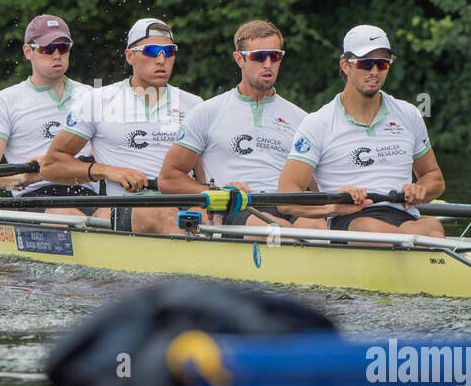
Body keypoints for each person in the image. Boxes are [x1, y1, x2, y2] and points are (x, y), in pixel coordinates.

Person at [277, 24, 445, 236]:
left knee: (433, 227)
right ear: (346, 66)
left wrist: (421, 189)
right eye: (366, 63)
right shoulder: (318, 123)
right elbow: (285, 196)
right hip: (351, 219)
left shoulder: (408, 114)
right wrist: (331, 207)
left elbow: (434, 177)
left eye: (382, 63)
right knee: (373, 229)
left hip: (403, 217)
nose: (374, 71)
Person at [41, 17, 203, 233]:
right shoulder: (97, 102)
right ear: (130, 56)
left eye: (169, 52)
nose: (162, 59)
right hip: (129, 204)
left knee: (213, 220)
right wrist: (107, 171)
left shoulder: (195, 105)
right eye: (152, 51)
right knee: (162, 214)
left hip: (185, 202)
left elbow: (205, 176)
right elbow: (51, 167)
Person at [157, 19, 321, 228]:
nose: (268, 64)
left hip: (287, 207)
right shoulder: (207, 112)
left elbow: (320, 186)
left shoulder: (303, 119)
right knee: (277, 230)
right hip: (236, 208)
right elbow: (168, 179)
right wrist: (216, 192)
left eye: (275, 56)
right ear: (239, 59)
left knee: (318, 228)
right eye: (259, 57)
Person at [0, 13, 97, 216]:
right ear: (28, 51)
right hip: (35, 195)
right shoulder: (6, 101)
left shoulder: (91, 96)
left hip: (86, 194)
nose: (57, 55)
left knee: (121, 215)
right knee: (66, 215)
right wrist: (24, 178)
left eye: (63, 47)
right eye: (47, 48)